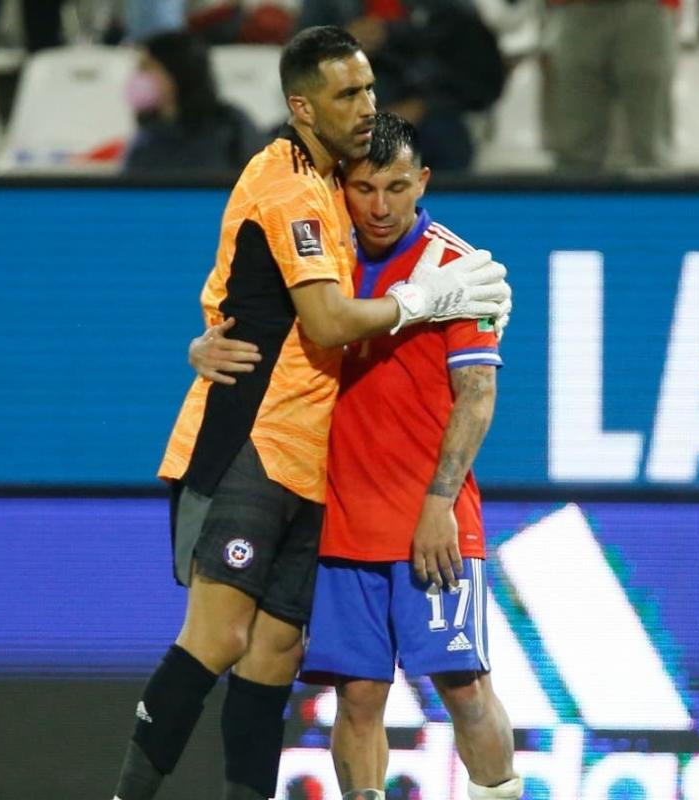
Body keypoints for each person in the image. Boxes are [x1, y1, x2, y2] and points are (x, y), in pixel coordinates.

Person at [111, 27, 511, 800]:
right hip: (253, 442)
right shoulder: (293, 185)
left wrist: (209, 333)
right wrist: (420, 301)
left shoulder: (345, 194)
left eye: (368, 90)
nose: (366, 107)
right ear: (302, 107)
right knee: (223, 637)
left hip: (317, 472)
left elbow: (233, 287)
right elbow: (324, 322)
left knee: (275, 654)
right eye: (347, 95)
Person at [191, 110, 523, 800]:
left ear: (422, 181)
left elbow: (477, 396)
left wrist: (439, 503)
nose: (380, 206)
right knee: (359, 694)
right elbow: (240, 320)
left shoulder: (458, 269)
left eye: (397, 187)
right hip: (339, 520)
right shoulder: (318, 260)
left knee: (463, 686)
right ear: (342, 184)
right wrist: (201, 346)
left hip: (432, 519)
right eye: (364, 188)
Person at [297, 0, 507, 170]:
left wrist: (424, 104)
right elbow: (298, 66)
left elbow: (480, 78)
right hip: (345, 112)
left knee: (445, 138)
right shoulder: (326, 5)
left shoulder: (449, 8)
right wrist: (337, 46)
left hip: (428, 115)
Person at [545, 0, 678, 171]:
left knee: (650, 146)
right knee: (576, 146)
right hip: (578, 9)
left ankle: (654, 182)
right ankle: (577, 184)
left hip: (646, 9)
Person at [124, 31, 268, 176]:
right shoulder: (147, 138)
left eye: (147, 67)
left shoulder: (231, 126)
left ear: (176, 71)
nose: (139, 77)